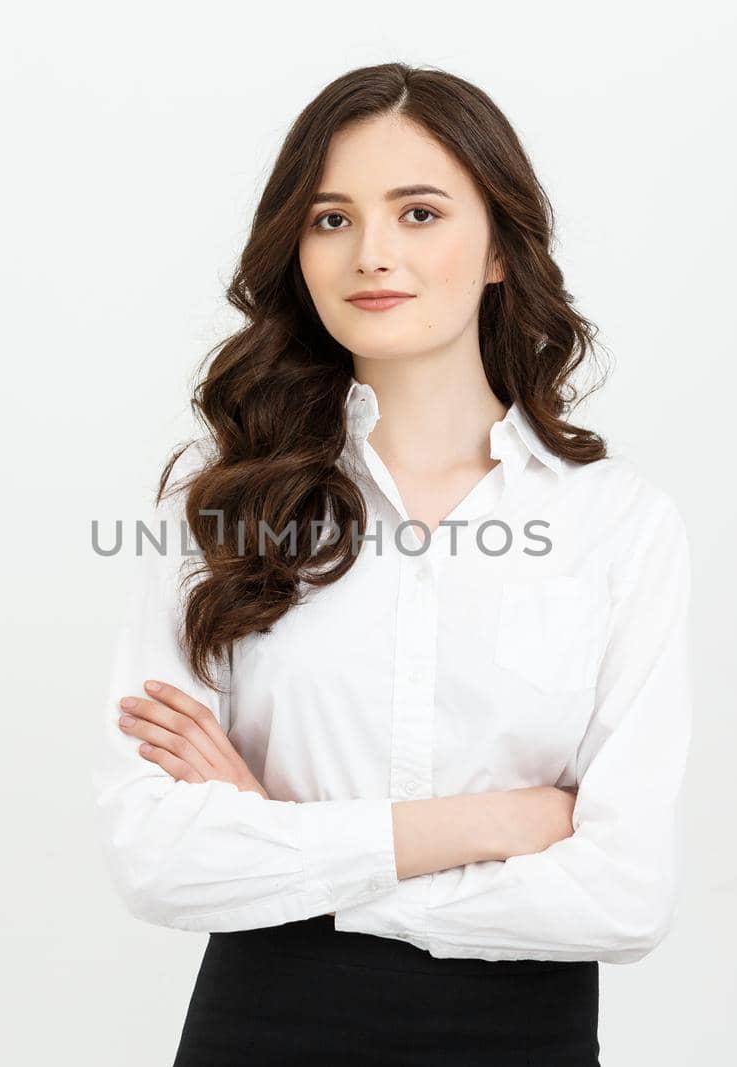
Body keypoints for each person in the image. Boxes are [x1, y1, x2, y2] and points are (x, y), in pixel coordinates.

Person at [90, 61, 693, 1066]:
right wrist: (496, 823)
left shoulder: (613, 522)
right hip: (263, 1032)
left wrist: (284, 840)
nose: (371, 253)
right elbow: (158, 859)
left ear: (498, 245)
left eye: (418, 213)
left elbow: (624, 894)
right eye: (331, 219)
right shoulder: (220, 503)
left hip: (521, 1041)